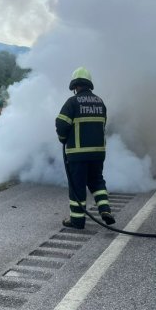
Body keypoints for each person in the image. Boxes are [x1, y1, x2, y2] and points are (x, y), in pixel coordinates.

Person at [55, 67, 115, 229]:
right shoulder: (100, 102)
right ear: (89, 84)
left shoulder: (72, 102)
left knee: (77, 186)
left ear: (75, 86)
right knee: (97, 182)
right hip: (98, 153)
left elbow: (61, 123)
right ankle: (105, 210)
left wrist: (63, 139)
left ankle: (77, 220)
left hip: (77, 154)